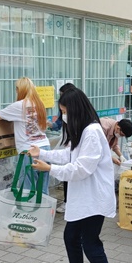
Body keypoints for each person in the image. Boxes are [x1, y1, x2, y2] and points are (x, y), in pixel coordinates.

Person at [29, 88, 118, 263]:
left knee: (90, 242)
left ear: (75, 110)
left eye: (64, 111)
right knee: (71, 236)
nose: (63, 117)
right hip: (85, 197)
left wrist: (49, 168)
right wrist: (42, 153)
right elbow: (68, 154)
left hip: (94, 198)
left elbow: (81, 169)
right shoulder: (83, 131)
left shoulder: (92, 132)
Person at [0, 77, 51, 194]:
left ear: (20, 89)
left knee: (27, 190)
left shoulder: (19, 105)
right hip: (45, 148)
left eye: (17, 89)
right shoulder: (40, 105)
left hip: (28, 151)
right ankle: (45, 212)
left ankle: (30, 212)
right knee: (43, 190)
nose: (16, 92)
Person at [50, 82, 77, 212]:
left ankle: (68, 202)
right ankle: (69, 201)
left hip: (71, 146)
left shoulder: (83, 124)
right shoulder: (67, 112)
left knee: (69, 173)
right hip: (68, 143)